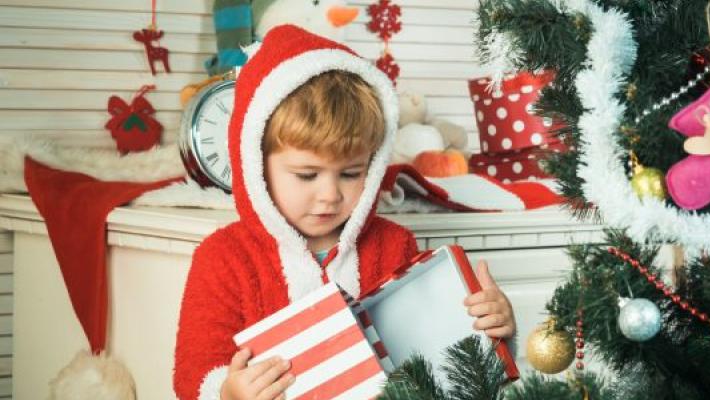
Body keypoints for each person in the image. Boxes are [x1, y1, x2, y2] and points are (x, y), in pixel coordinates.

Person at [173, 24, 516, 400]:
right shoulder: (224, 258)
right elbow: (193, 374)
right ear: (255, 166)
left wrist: (491, 330)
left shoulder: (393, 245)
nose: (330, 195)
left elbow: (433, 363)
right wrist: (227, 393)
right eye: (307, 175)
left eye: (351, 173)